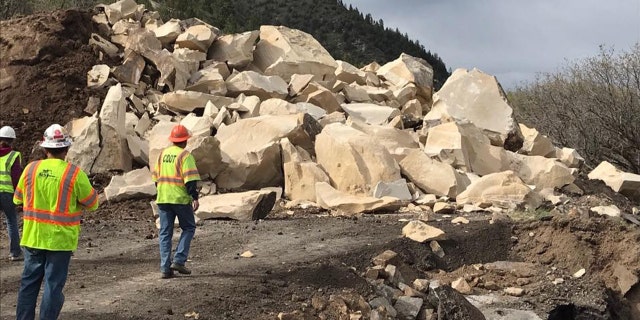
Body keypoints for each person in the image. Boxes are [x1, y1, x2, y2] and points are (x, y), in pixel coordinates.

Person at [14, 124, 99, 320]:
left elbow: (17, 199)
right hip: (60, 241)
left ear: (45, 148)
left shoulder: (30, 169)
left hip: (33, 237)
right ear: (66, 149)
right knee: (53, 286)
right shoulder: (74, 173)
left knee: (28, 285)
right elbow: (93, 203)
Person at [152, 124, 201, 279]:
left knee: (165, 233)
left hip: (163, 198)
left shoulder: (162, 154)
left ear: (173, 140)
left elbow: (155, 178)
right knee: (189, 227)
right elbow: (190, 181)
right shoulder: (185, 156)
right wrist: (194, 197)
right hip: (180, 199)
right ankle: (179, 260)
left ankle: (165, 269)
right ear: (185, 141)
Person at [0, 125, 23, 261]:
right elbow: (16, 177)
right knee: (11, 221)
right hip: (7, 193)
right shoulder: (14, 155)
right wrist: (19, 195)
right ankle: (15, 252)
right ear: (12, 141)